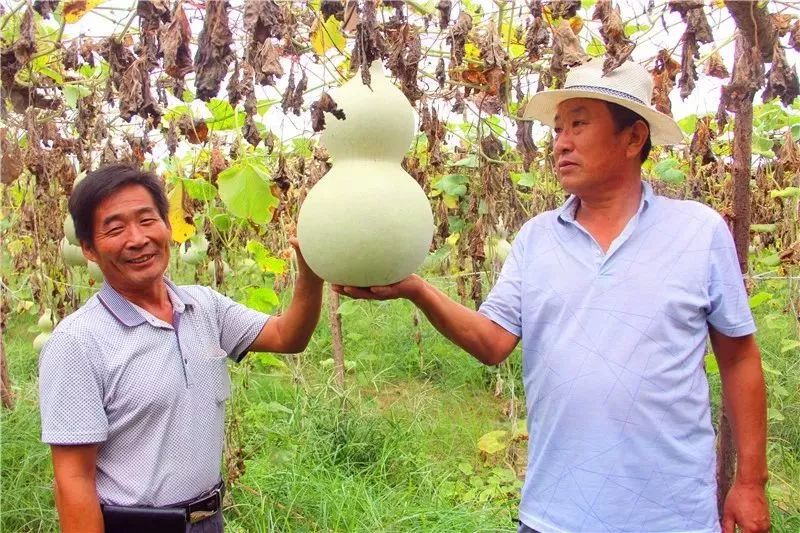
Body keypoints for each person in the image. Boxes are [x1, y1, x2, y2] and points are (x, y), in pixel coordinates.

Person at [334, 60, 769, 533]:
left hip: (671, 517)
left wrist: (750, 482)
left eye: (579, 124)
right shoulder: (537, 238)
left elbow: (740, 358)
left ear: (633, 138)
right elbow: (492, 341)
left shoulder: (697, 231)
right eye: (558, 129)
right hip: (553, 516)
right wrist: (414, 288)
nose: (560, 142)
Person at [39, 164, 323, 533]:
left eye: (146, 220)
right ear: (90, 249)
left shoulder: (205, 306)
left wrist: (312, 272)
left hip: (209, 520)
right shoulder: (76, 342)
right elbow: (73, 479)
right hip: (136, 527)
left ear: (168, 227)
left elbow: (288, 336)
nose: (137, 238)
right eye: (115, 228)